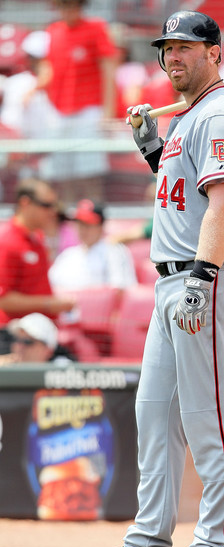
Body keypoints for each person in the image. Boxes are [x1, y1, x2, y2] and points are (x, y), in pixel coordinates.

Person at [78, 10, 224, 547]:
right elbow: (181, 191)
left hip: (209, 277)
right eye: (167, 48)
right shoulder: (191, 116)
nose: (174, 57)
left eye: (186, 47)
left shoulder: (222, 113)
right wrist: (151, 144)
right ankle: (150, 540)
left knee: (210, 419)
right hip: (171, 280)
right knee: (154, 414)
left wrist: (202, 278)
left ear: (213, 52)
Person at [36, 0, 118, 202]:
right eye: (63, 5)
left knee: (90, 174)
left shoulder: (96, 27)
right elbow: (49, 68)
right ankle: (69, 225)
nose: (68, 10)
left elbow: (108, 70)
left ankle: (94, 219)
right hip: (58, 111)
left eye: (72, 5)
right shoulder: (53, 31)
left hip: (89, 110)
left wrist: (108, 113)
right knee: (62, 176)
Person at [0, 177, 76, 328]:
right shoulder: (7, 241)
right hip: (17, 337)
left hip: (40, 332)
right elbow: (3, 300)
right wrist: (48, 304)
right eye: (46, 205)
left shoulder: (38, 236)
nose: (53, 212)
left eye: (54, 205)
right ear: (25, 203)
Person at [49, 199, 136, 290]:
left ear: (101, 226)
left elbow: (121, 290)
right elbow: (51, 285)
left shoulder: (114, 252)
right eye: (80, 224)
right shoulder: (68, 255)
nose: (83, 229)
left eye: (88, 224)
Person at [0, 312, 76, 366]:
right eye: (16, 340)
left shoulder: (62, 369)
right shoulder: (7, 366)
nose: (19, 346)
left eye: (27, 342)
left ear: (48, 351)